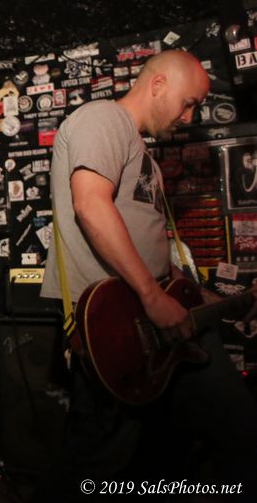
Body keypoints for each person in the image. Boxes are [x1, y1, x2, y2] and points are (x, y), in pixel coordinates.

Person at [38, 50, 257, 498]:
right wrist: (152, 297)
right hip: (116, 322)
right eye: (188, 103)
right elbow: (89, 204)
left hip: (157, 325)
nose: (189, 116)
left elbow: (156, 259)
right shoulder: (103, 118)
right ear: (158, 85)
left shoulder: (148, 161)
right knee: (99, 460)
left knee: (177, 447)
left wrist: (219, 303)